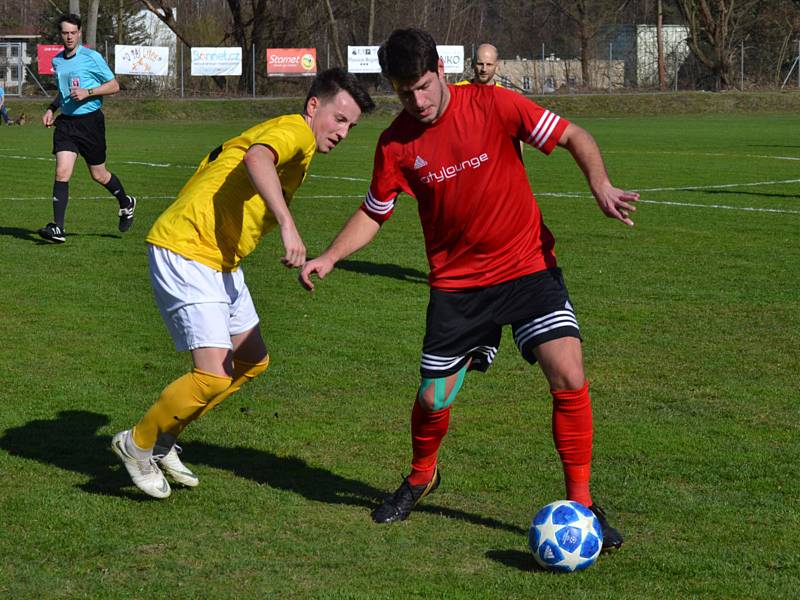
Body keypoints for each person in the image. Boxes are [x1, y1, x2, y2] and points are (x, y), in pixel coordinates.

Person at [299, 28, 639, 550]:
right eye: (404, 91)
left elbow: (573, 135)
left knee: (568, 372)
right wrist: (329, 256)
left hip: (527, 266)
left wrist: (600, 183)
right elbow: (375, 212)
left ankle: (582, 502)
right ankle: (421, 476)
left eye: (425, 86)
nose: (418, 101)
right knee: (434, 398)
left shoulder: (495, 104)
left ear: (440, 68)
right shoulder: (395, 144)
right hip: (458, 287)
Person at [111, 68, 374, 499]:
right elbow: (256, 158)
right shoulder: (295, 130)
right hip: (189, 248)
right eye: (339, 119)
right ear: (313, 107)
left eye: (352, 125)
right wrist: (289, 226)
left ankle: (163, 441)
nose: (344, 132)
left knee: (252, 360)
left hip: (220, 257)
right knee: (212, 376)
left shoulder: (295, 140)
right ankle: (136, 443)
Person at [38, 13, 136, 244]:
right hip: (67, 124)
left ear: (80, 33)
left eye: (73, 33)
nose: (69, 37)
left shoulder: (92, 57)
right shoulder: (58, 61)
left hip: (91, 123)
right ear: (60, 34)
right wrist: (52, 108)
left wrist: (88, 92)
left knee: (99, 174)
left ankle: (126, 202)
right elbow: (63, 93)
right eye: (65, 33)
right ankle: (58, 229)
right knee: (62, 172)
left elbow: (114, 86)